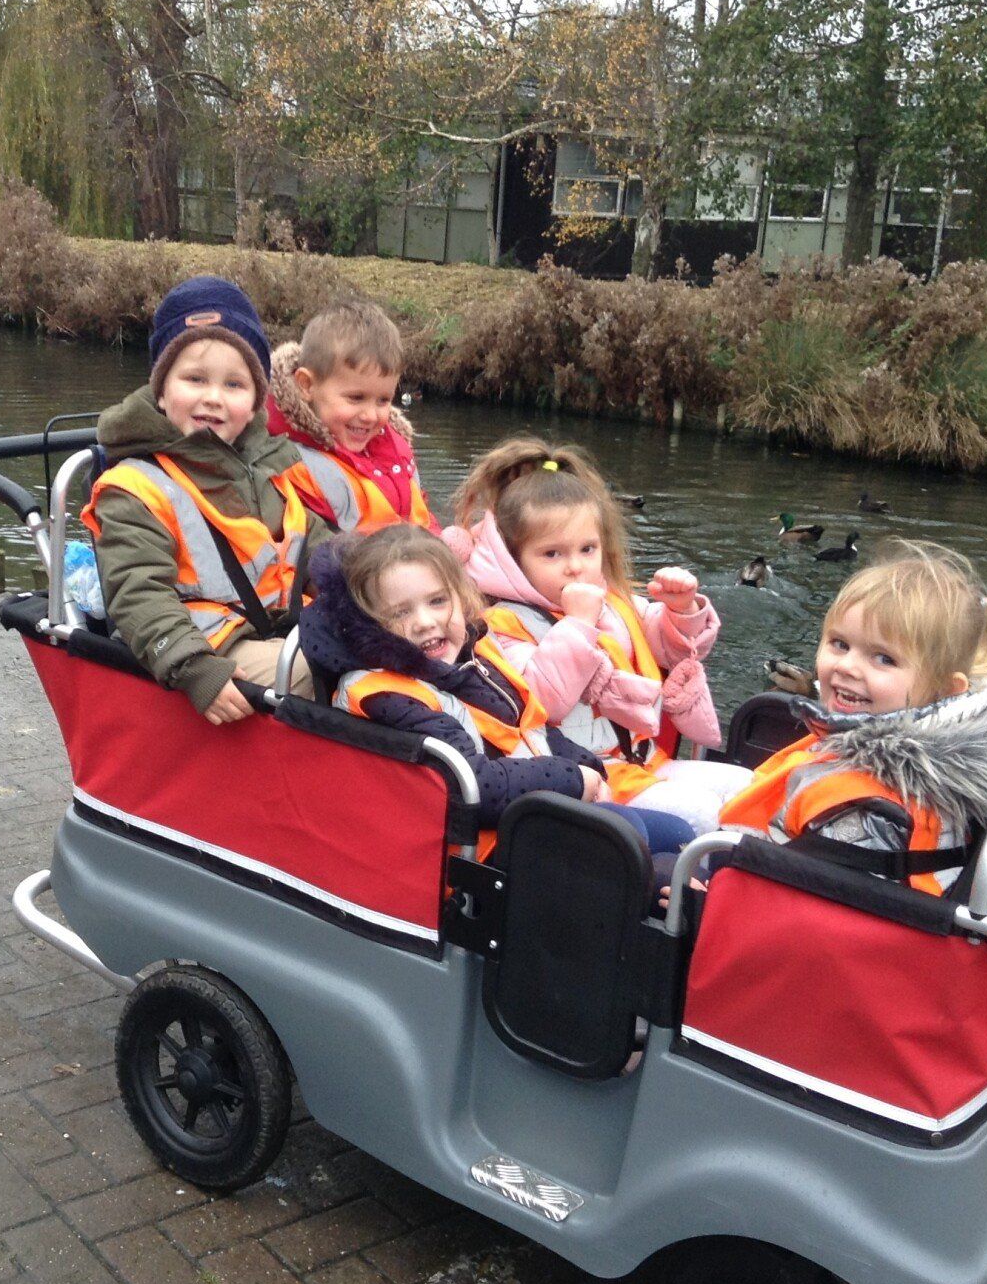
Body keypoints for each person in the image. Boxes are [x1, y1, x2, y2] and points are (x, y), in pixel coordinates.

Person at [720, 541, 987, 895]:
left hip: (778, 914)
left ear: (947, 689)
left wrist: (711, 894)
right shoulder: (950, 755)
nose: (848, 666)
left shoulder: (877, 807)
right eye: (840, 643)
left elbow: (821, 907)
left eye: (884, 658)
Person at [298, 525, 695, 860]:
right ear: (369, 623)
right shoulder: (384, 694)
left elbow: (532, 726)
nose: (424, 622)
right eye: (399, 612)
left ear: (459, 597)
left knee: (677, 833)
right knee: (629, 837)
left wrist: (589, 766)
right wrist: (574, 779)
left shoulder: (476, 651)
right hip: (475, 848)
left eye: (437, 601)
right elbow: (472, 784)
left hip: (528, 808)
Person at [451, 438, 749, 834]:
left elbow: (676, 649)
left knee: (752, 791)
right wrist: (577, 625)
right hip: (594, 778)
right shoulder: (501, 625)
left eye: (587, 549)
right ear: (513, 559)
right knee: (706, 813)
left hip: (646, 760)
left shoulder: (617, 602)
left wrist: (683, 611)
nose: (575, 567)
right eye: (552, 554)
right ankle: (694, 890)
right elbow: (545, 701)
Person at [84, 276, 330, 724]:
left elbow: (322, 552)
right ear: (161, 391)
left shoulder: (272, 464)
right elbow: (137, 594)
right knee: (330, 671)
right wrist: (193, 668)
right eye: (194, 379)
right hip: (204, 651)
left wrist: (384, 589)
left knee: (392, 635)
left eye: (235, 385)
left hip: (278, 629)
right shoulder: (136, 487)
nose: (213, 398)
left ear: (257, 400)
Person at [267, 299, 434, 532]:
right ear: (306, 386)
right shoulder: (291, 467)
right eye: (356, 398)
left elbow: (422, 515)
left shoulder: (396, 446)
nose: (370, 416)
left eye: (383, 400)